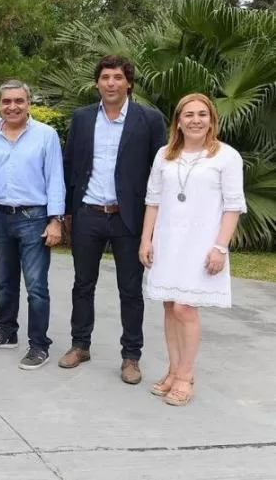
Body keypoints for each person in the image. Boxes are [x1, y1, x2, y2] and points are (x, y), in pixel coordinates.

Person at [60, 55, 166, 384]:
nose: (111, 83)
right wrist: (65, 212)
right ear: (97, 83)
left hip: (128, 218)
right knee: (82, 284)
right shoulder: (82, 118)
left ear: (128, 83)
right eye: (105, 77)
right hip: (89, 213)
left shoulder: (149, 119)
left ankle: (131, 357)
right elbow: (69, 165)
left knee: (130, 290)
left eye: (118, 77)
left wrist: (156, 222)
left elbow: (160, 172)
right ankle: (80, 345)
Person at [140, 94, 245, 406]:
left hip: (202, 245)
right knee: (170, 305)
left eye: (202, 114)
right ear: (178, 121)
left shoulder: (226, 156)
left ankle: (186, 376)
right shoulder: (165, 155)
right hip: (168, 242)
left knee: (186, 307)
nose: (196, 120)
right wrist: (146, 239)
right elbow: (153, 200)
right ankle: (173, 370)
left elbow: (233, 206)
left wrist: (220, 248)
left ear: (212, 119)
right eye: (189, 115)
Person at [0, 79, 64, 370]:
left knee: (36, 286)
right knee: (5, 282)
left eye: (18, 101)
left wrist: (55, 220)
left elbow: (55, 179)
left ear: (28, 103)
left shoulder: (46, 136)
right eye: (6, 102)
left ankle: (38, 345)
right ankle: (7, 331)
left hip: (33, 218)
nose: (12, 107)